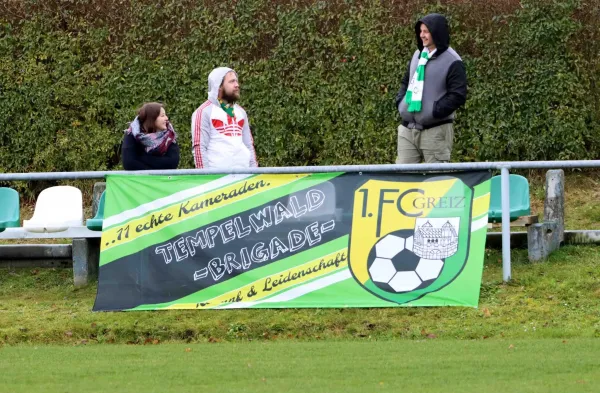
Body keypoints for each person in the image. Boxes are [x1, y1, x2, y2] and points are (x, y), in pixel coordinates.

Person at [395, 13, 467, 164]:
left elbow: (457, 95)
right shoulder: (417, 55)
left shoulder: (453, 61)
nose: (422, 35)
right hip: (407, 130)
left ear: (437, 32)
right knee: (402, 178)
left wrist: (435, 111)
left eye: (426, 31)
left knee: (436, 180)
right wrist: (401, 103)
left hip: (435, 131)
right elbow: (405, 82)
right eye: (420, 31)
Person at [191, 67, 258, 169]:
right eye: (231, 81)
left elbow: (249, 145)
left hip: (244, 177)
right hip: (217, 179)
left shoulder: (241, 112)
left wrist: (254, 173)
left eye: (236, 81)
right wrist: (205, 178)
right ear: (219, 86)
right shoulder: (203, 112)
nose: (237, 85)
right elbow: (199, 147)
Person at [121, 102, 180, 170]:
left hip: (163, 180)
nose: (166, 118)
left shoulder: (169, 136)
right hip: (140, 180)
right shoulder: (132, 134)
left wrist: (142, 157)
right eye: (162, 115)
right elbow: (129, 164)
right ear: (152, 118)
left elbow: (172, 163)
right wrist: (156, 169)